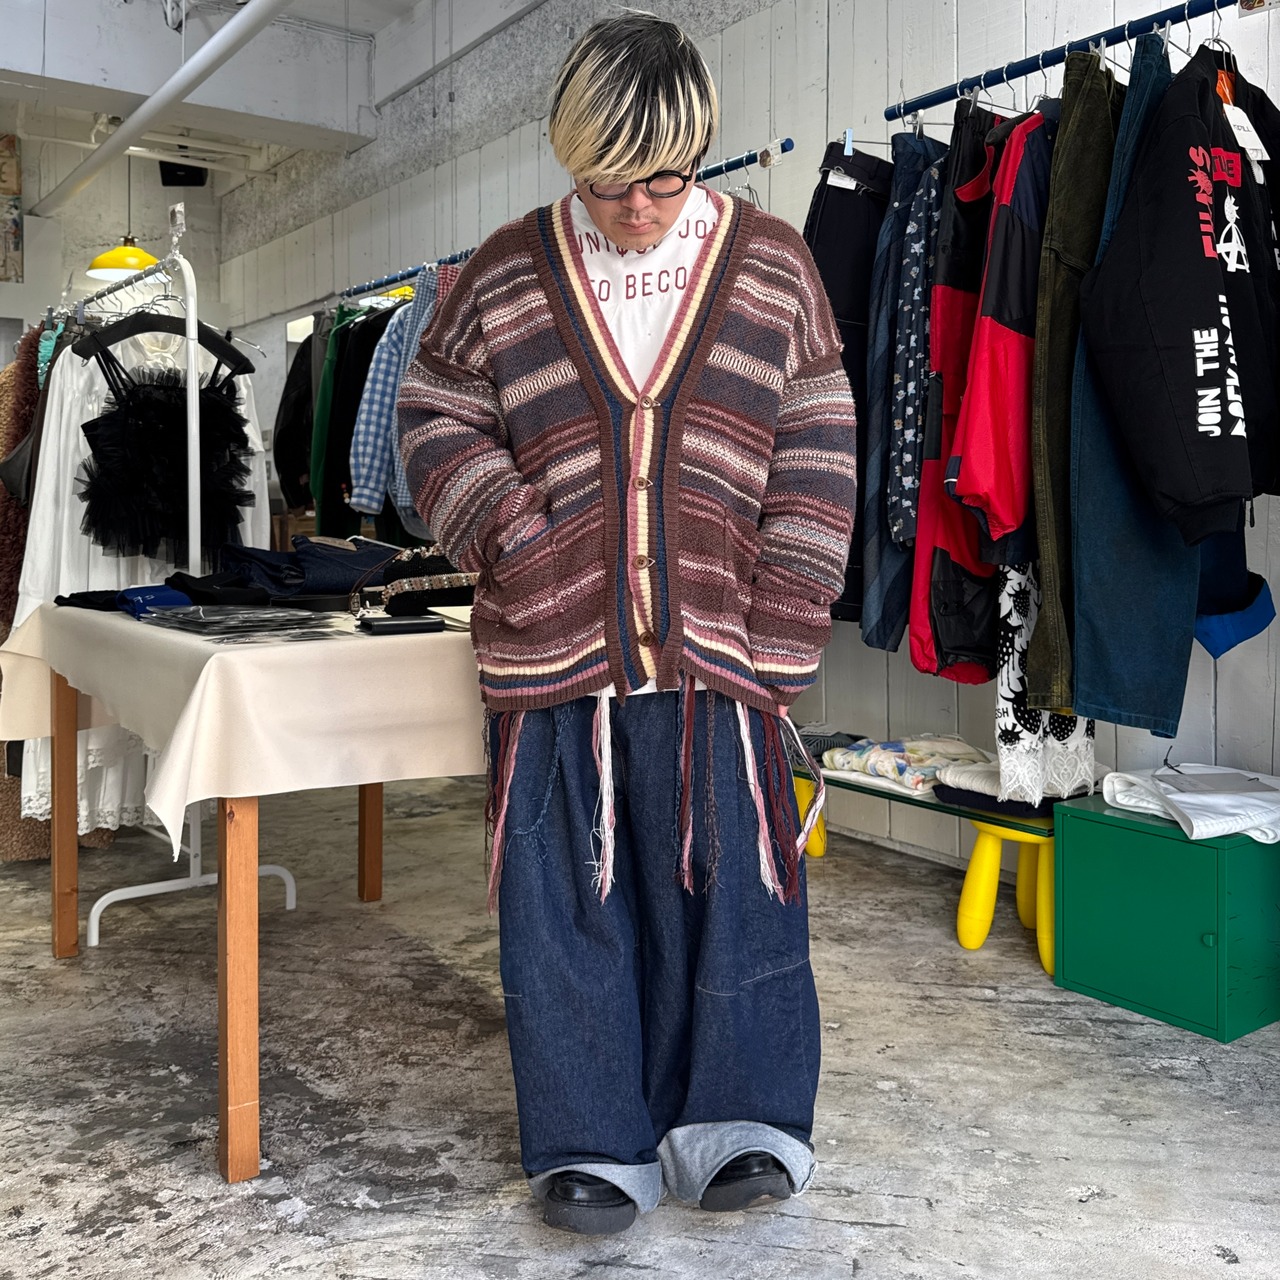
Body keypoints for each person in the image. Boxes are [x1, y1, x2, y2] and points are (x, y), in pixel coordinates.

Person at [398, 13, 856, 1236]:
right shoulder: (503, 272)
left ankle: (742, 1118)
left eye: (665, 176)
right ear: (570, 154)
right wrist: (516, 541)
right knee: (564, 903)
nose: (640, 206)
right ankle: (591, 1134)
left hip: (721, 643)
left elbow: (816, 440)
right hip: (555, 648)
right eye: (610, 181)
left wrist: (784, 616)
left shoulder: (770, 264)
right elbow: (433, 415)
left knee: (735, 889)